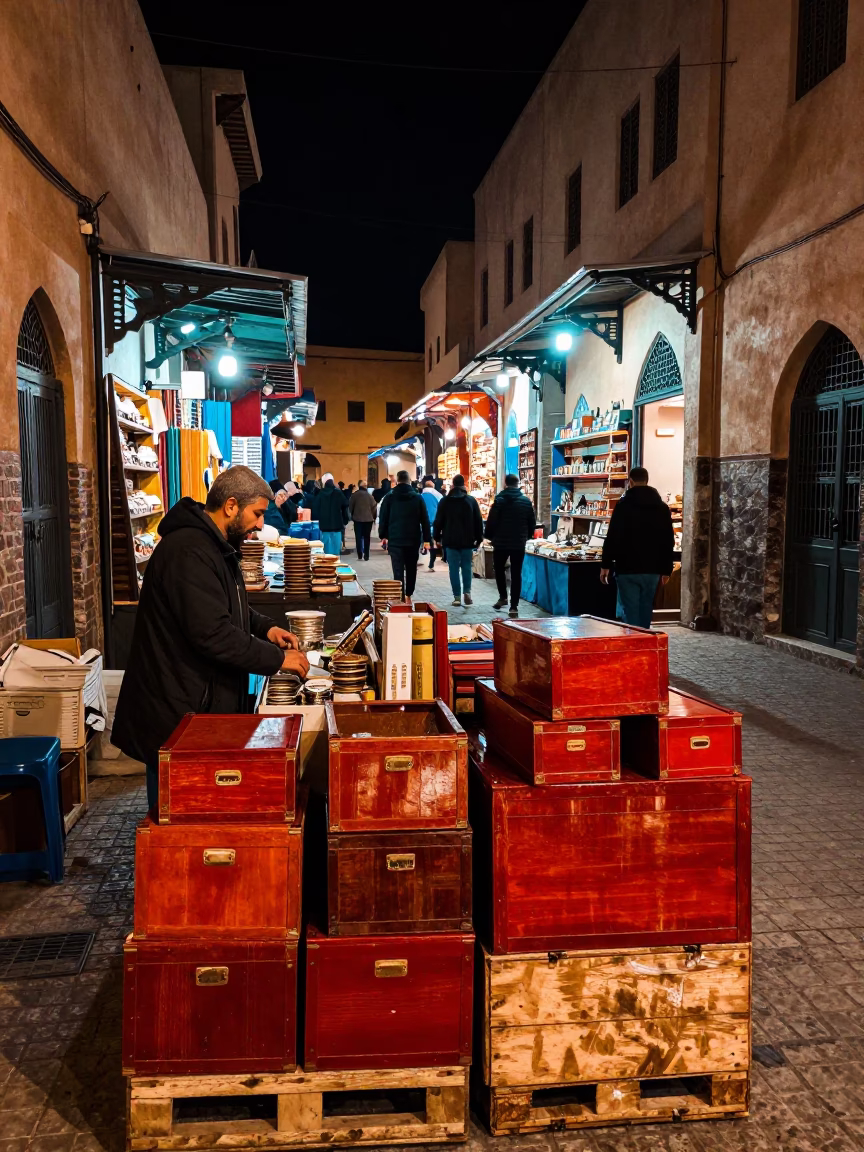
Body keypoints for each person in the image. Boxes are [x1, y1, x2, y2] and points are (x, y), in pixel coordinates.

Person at [111, 466, 310, 810]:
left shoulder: (216, 544)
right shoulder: (189, 551)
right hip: (175, 710)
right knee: (175, 818)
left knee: (194, 812)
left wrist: (264, 627)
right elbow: (212, 634)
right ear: (231, 506)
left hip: (193, 703)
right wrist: (278, 660)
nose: (261, 525)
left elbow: (227, 606)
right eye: (258, 513)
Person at [600, 466, 674, 629]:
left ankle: (634, 644)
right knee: (646, 609)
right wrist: (666, 569)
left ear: (630, 482)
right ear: (647, 481)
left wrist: (606, 564)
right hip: (652, 569)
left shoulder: (623, 506)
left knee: (630, 610)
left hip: (627, 568)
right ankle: (644, 642)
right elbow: (668, 540)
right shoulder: (662, 507)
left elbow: (613, 536)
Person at [485, 473, 536, 618]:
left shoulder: (499, 500)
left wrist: (488, 536)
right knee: (516, 573)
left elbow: (491, 520)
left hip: (500, 542)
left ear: (505, 483)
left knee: (499, 569)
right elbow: (531, 522)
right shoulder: (526, 501)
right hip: (518, 543)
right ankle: (514, 606)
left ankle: (503, 597)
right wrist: (527, 536)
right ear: (517, 483)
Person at [433, 474, 483, 607]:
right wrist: (479, 538)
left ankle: (456, 597)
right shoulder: (471, 501)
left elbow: (438, 521)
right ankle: (467, 592)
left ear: (453, 485)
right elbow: (478, 521)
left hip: (450, 540)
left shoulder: (445, 501)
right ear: (464, 484)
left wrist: (436, 537)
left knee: (453, 569)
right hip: (467, 540)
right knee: (467, 567)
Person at [378, 469, 431, 596]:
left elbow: (383, 518)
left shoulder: (389, 497)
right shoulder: (417, 498)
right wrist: (427, 540)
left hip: (395, 539)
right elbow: (425, 520)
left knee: (398, 569)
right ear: (409, 481)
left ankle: (400, 597)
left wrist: (383, 536)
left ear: (397, 481)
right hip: (413, 540)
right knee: (412, 569)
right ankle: (409, 596)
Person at [309, 472, 349, 556]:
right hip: (337, 527)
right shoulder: (338, 493)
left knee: (326, 554)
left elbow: (315, 509)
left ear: (323, 483)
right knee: (336, 555)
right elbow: (345, 504)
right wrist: (344, 520)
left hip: (324, 528)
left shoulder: (320, 494)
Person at [348, 480, 377, 561]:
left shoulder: (354, 495)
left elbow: (350, 507)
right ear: (366, 487)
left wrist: (353, 516)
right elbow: (374, 508)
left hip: (357, 519)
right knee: (367, 537)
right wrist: (373, 517)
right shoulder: (370, 496)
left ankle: (359, 554)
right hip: (368, 520)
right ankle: (366, 555)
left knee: (358, 537)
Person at [420, 478, 442, 570]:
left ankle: (420, 555)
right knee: (432, 543)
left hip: (421, 524)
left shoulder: (420, 495)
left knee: (421, 541)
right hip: (433, 524)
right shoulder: (438, 495)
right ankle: (431, 564)